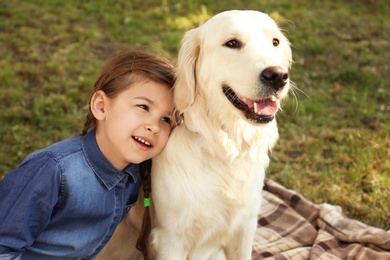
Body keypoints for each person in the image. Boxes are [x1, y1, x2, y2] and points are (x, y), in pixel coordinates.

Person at [0, 50, 177, 259]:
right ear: (101, 106)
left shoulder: (136, 175)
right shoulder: (52, 170)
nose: (154, 127)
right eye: (143, 106)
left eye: (166, 119)